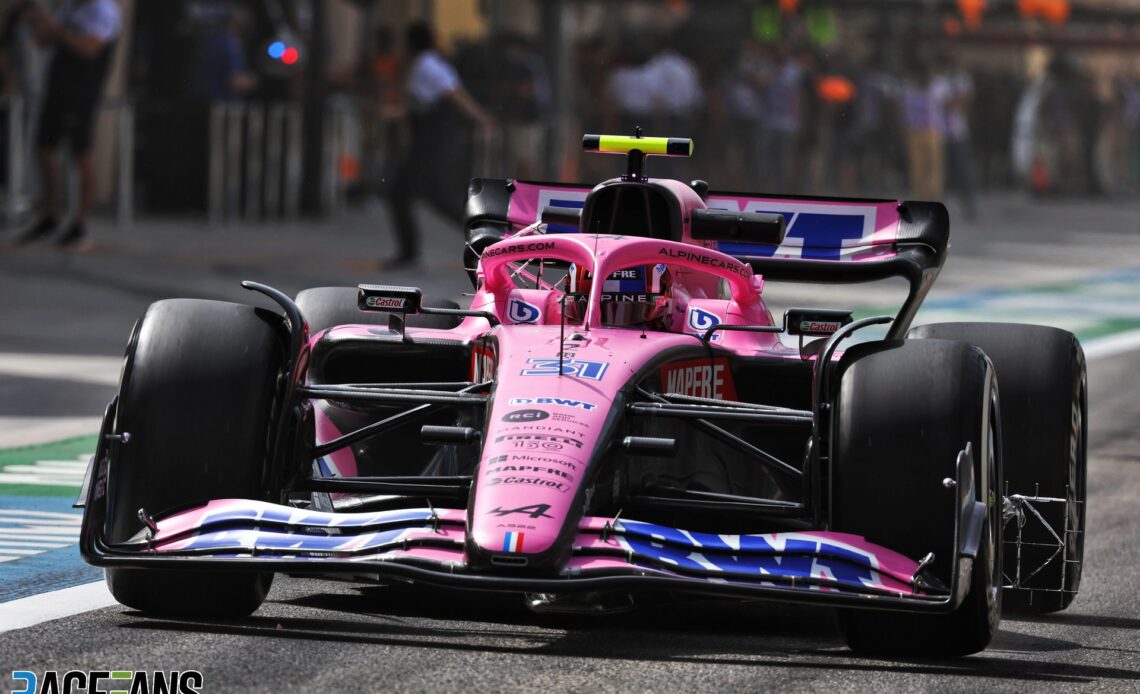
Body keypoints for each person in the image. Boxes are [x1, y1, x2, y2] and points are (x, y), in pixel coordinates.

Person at [382, 21, 494, 270]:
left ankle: (482, 237)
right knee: (434, 196)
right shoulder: (423, 65)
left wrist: (482, 119)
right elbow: (419, 105)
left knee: (402, 194)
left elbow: (455, 94)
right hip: (427, 140)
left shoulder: (428, 65)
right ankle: (483, 237)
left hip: (432, 141)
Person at [16, 0, 121, 251]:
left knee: (81, 155)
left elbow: (90, 48)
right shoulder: (69, 8)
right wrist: (39, 23)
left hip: (82, 92)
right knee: (43, 150)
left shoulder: (103, 10)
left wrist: (60, 32)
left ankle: (80, 224)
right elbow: (43, 42)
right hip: (57, 89)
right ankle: (50, 215)